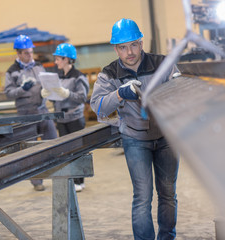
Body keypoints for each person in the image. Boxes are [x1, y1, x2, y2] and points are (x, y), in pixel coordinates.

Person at [90, 18, 180, 239]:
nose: (129, 52)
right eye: (122, 47)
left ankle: (167, 237)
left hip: (167, 137)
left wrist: (177, 87)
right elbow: (98, 107)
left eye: (133, 45)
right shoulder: (109, 74)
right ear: (116, 49)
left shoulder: (163, 63)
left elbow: (180, 92)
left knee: (168, 193)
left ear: (141, 43)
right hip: (135, 139)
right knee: (142, 196)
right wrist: (120, 93)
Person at [4, 34, 58, 191]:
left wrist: (48, 90)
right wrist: (22, 89)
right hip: (25, 113)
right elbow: (8, 93)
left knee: (53, 141)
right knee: (31, 148)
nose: (30, 55)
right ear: (18, 53)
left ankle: (57, 174)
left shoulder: (38, 66)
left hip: (42, 109)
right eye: (26, 53)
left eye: (31, 52)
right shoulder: (12, 72)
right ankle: (37, 181)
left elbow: (46, 82)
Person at [41, 43, 89, 192]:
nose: (56, 62)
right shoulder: (58, 77)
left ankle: (80, 180)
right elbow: (58, 97)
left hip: (75, 118)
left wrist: (67, 94)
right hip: (61, 119)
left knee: (78, 150)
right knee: (66, 151)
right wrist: (49, 95)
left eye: (57, 59)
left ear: (67, 59)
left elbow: (82, 97)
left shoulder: (79, 76)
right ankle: (72, 179)